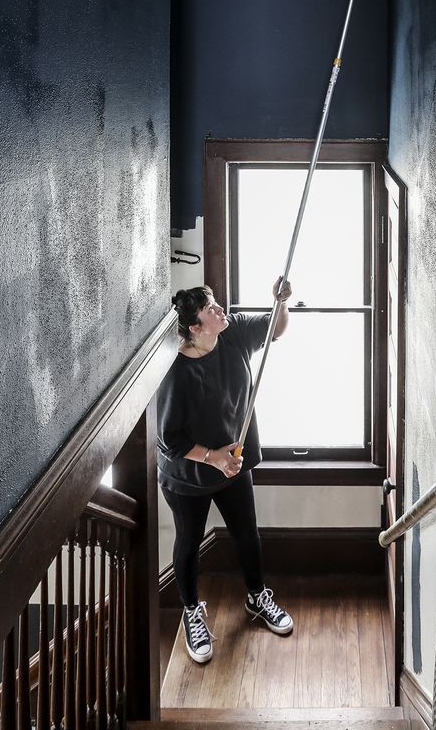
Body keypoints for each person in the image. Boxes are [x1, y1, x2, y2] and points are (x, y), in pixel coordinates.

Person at [158, 276, 294, 664]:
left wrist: (281, 301)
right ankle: (191, 612)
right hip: (189, 474)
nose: (220, 309)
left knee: (246, 532)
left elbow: (275, 328)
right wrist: (214, 457)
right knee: (189, 543)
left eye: (216, 303)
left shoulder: (232, 334)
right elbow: (171, 440)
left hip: (233, 464)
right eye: (210, 309)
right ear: (194, 328)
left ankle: (256, 597)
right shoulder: (175, 372)